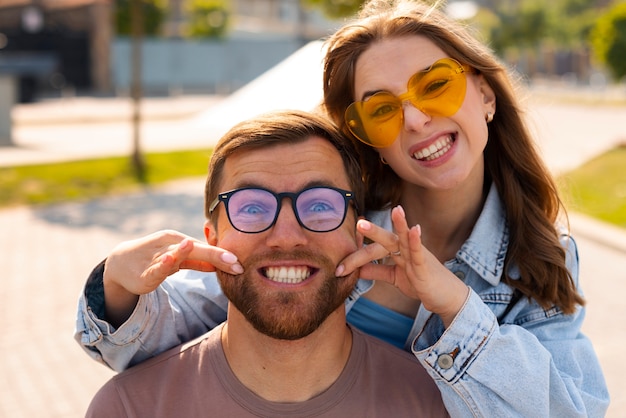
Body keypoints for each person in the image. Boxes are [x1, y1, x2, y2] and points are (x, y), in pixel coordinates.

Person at [75, 1, 609, 416]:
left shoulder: (538, 258)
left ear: (486, 95)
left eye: (437, 86)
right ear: (363, 135)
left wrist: (453, 305)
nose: (417, 120)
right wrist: (116, 290)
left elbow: (571, 410)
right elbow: (194, 323)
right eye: (382, 109)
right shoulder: (331, 224)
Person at [85, 109, 449, 417]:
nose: (287, 235)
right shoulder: (129, 408)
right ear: (212, 239)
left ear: (358, 236)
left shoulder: (430, 403)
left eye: (320, 205)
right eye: (252, 207)